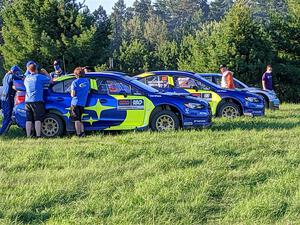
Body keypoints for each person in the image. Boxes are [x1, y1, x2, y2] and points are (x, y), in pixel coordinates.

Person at [24, 63, 52, 138]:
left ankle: (28, 136)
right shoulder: (39, 77)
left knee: (28, 120)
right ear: (36, 69)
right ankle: (38, 135)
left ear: (29, 70)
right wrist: (45, 72)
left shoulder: (26, 78)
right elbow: (50, 80)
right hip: (37, 101)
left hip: (27, 101)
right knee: (38, 119)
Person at [0, 65, 22, 135]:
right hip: (8, 97)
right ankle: (1, 132)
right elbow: (15, 77)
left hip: (3, 96)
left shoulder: (5, 76)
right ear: (14, 72)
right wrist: (22, 77)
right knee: (7, 116)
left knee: (6, 115)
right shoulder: (11, 76)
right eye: (17, 73)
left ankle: (4, 130)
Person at [70, 67, 90, 137]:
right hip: (83, 103)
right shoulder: (87, 81)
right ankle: (82, 132)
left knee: (76, 120)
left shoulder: (75, 82)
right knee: (80, 119)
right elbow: (88, 90)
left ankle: (78, 134)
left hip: (75, 103)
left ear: (76, 74)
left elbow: (73, 94)